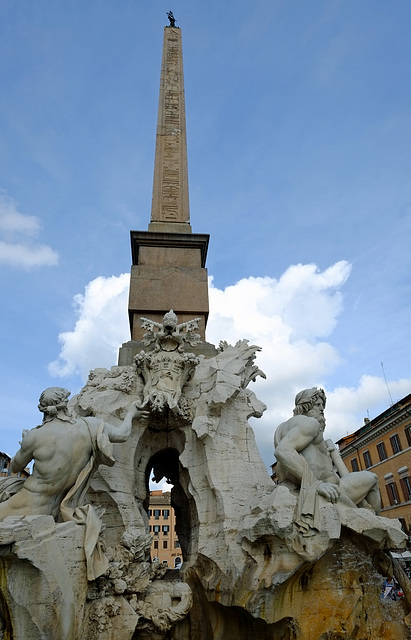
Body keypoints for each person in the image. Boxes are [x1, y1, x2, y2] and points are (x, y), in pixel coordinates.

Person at [0, 387, 147, 521]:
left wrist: (24, 443)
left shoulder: (35, 436)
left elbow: (15, 467)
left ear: (43, 409)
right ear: (65, 403)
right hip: (54, 510)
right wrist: (131, 413)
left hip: (25, 504)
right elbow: (123, 434)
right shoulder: (91, 427)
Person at [274, 388, 380, 533]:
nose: (322, 410)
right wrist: (316, 485)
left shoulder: (285, 427)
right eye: (317, 405)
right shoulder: (310, 424)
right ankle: (378, 524)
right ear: (306, 405)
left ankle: (371, 518)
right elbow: (283, 451)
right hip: (330, 489)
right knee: (372, 478)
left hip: (325, 486)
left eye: (322, 406)